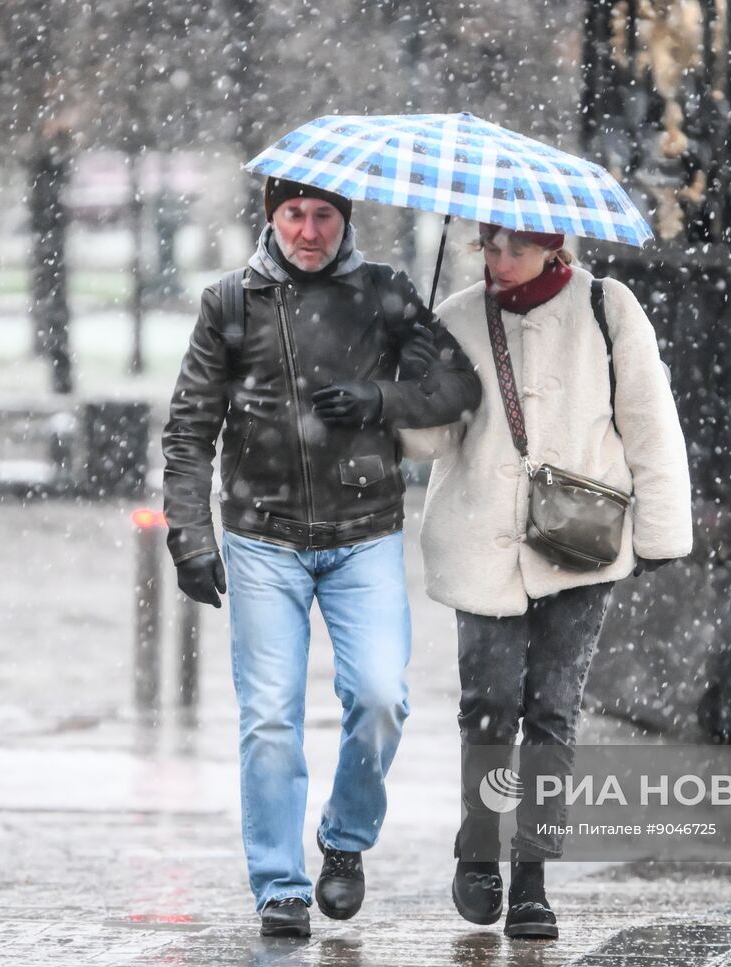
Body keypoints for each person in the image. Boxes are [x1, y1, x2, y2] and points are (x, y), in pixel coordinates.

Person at [161, 177, 482, 938]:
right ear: (272, 218)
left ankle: (344, 838)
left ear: (346, 219)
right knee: (269, 716)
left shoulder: (386, 293)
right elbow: (188, 431)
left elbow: (457, 387)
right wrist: (191, 535)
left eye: (325, 215)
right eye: (294, 214)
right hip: (261, 537)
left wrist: (380, 399)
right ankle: (280, 883)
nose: (310, 230)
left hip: (363, 532)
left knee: (380, 697)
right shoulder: (231, 303)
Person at [400, 224, 693, 940]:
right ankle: (478, 844)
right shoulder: (460, 315)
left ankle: (532, 875)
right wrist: (411, 382)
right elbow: (429, 443)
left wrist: (660, 532)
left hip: (580, 539)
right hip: (483, 542)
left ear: (553, 246)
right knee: (490, 704)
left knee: (553, 709)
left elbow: (650, 423)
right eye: (490, 246)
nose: (499, 262)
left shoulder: (607, 306)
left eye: (516, 249)